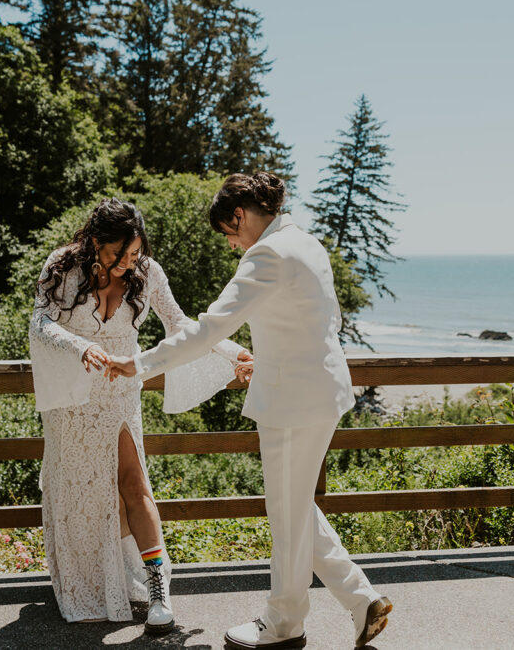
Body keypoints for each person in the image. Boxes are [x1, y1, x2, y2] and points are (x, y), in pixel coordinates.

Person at [106, 173, 392, 649]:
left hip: (291, 402)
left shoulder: (267, 254)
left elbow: (209, 330)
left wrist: (138, 364)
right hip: (322, 391)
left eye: (230, 233)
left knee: (285, 513)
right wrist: (273, 358)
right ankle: (362, 602)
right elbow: (321, 321)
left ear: (239, 214)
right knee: (296, 505)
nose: (233, 245)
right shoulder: (307, 243)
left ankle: (284, 625)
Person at [28, 198, 250, 633]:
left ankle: (157, 590)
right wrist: (81, 347)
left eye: (135, 254)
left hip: (119, 394)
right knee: (79, 490)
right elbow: (39, 322)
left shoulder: (147, 272)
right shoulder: (62, 266)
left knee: (134, 483)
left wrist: (232, 351)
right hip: (72, 401)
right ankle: (87, 584)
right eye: (121, 254)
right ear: (96, 242)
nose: (130, 263)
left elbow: (180, 324)